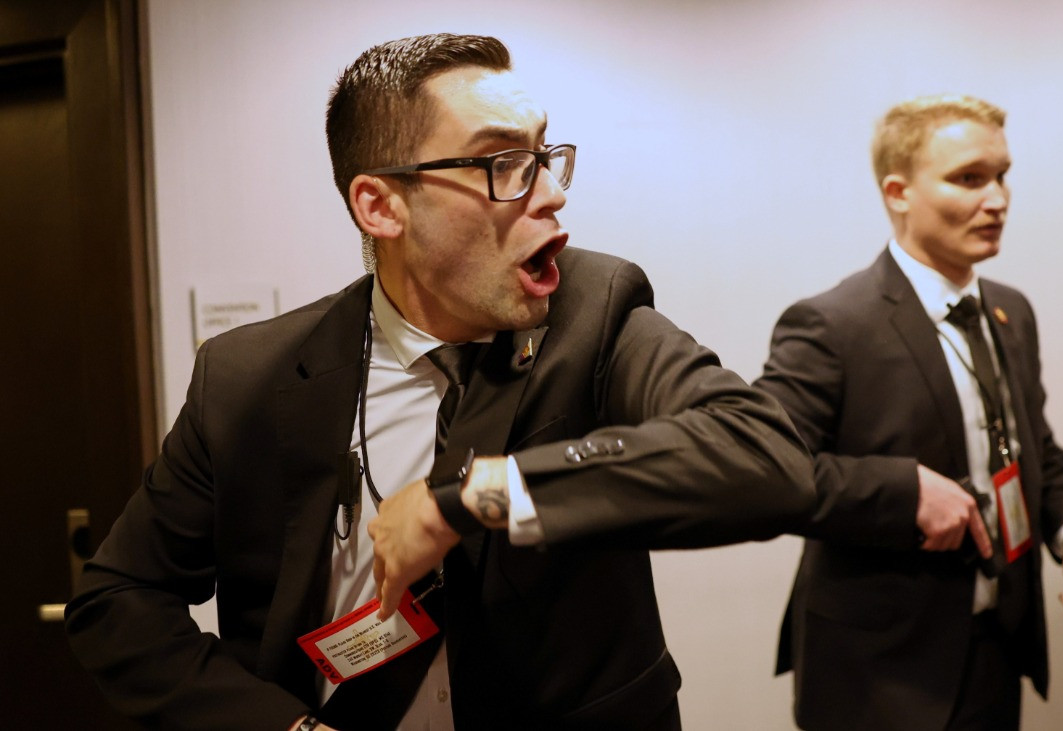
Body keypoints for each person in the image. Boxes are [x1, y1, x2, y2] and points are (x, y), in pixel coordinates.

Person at [66, 33, 813, 731]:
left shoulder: (596, 312)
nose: (550, 194)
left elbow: (763, 457)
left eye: (543, 155)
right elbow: (117, 600)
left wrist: (473, 497)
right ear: (381, 206)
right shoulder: (247, 378)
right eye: (501, 164)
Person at [755, 94, 1063, 730]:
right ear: (898, 193)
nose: (997, 199)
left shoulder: (1012, 310)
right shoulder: (831, 324)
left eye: (1002, 176)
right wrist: (905, 493)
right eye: (969, 178)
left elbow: (1035, 446)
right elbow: (768, 471)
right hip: (879, 671)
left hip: (997, 649)